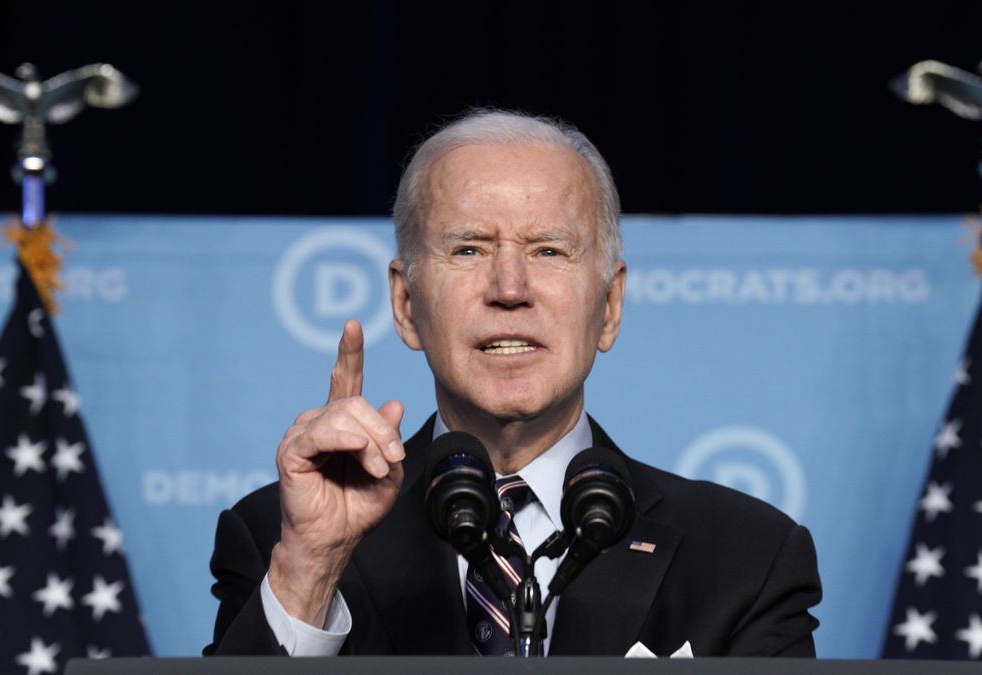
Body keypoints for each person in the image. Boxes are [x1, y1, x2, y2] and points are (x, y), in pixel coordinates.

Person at [205, 110, 822, 657]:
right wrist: (312, 569)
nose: (509, 289)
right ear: (406, 305)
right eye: (469, 250)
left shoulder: (746, 558)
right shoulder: (279, 539)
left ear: (609, 306)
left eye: (548, 251)